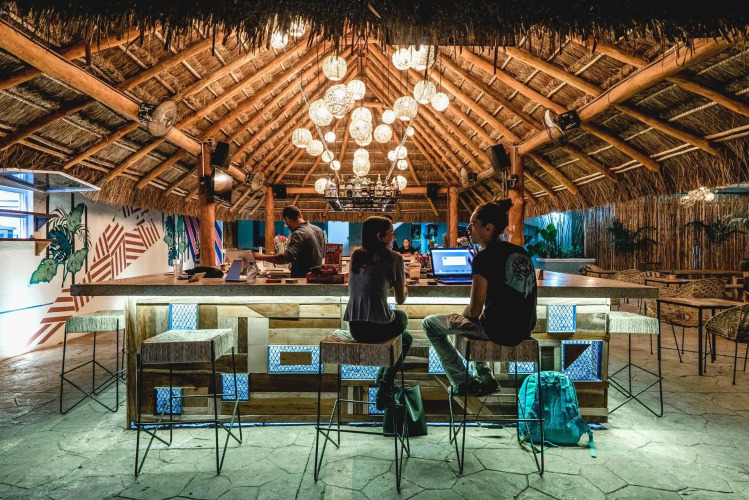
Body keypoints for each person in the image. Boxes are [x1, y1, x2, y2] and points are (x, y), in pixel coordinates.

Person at [422, 200, 537, 396]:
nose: (468, 228)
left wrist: (478, 268)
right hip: (524, 330)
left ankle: (462, 381)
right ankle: (485, 378)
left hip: (498, 333)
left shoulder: (484, 258)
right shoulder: (521, 252)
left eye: (473, 224)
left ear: (488, 228)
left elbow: (475, 310)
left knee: (430, 324)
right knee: (466, 318)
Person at [344, 216, 413, 409]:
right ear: (380, 236)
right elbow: (400, 300)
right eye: (391, 233)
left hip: (355, 329)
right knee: (403, 318)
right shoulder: (394, 258)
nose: (394, 238)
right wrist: (405, 284)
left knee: (405, 337)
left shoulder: (356, 256)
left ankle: (384, 383)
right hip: (376, 329)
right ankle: (384, 386)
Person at [253, 205, 325, 278]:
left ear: (287, 220)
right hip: (317, 279)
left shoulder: (298, 234)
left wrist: (261, 257)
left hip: (302, 281)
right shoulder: (318, 230)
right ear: (300, 215)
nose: (286, 225)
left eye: (285, 223)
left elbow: (286, 258)